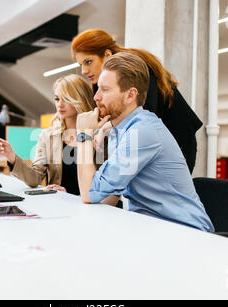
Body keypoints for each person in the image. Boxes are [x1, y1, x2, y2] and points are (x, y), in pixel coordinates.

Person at [76, 52, 214, 232]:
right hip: (149, 226)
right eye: (98, 88)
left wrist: (84, 136)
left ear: (130, 95)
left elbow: (89, 194)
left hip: (184, 231)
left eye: (105, 89)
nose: (96, 97)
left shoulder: (142, 131)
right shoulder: (121, 130)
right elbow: (107, 196)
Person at [71, 28, 203, 173]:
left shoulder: (135, 67)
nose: (83, 70)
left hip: (178, 138)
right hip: (148, 141)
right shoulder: (101, 81)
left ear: (107, 55)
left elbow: (145, 115)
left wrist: (104, 128)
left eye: (88, 62)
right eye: (81, 65)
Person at [0, 74, 103, 195]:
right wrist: (11, 157)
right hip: (62, 204)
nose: (60, 104)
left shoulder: (100, 133)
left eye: (66, 98)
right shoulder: (48, 136)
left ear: (80, 99)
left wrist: (73, 194)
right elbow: (34, 179)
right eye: (57, 99)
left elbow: (105, 183)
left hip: (93, 206)